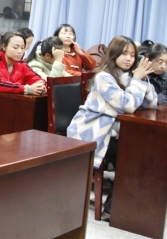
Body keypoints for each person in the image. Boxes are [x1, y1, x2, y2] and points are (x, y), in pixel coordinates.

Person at [67, 36, 157, 220]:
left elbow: (152, 103)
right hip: (92, 132)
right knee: (134, 154)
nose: (129, 59)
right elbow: (127, 104)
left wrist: (143, 79)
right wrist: (137, 81)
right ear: (114, 54)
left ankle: (122, 206)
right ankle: (113, 209)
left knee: (144, 151)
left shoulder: (129, 77)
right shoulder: (103, 77)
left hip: (112, 133)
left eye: (132, 55)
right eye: (124, 54)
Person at [0, 31, 45, 134]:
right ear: (4, 46)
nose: (19, 51)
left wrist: (41, 87)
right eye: (15, 47)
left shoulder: (21, 64)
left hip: (8, 112)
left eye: (22, 48)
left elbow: (38, 79)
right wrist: (27, 89)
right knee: (11, 134)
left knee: (30, 130)